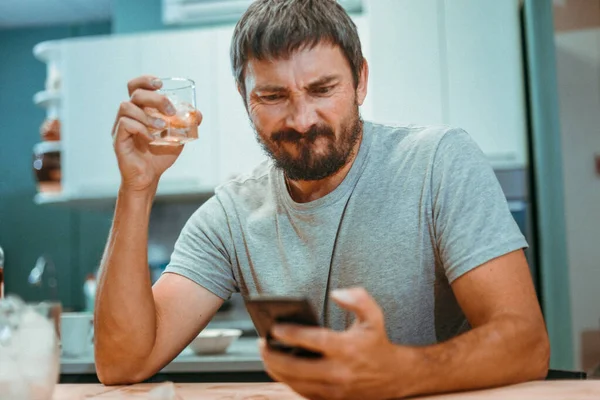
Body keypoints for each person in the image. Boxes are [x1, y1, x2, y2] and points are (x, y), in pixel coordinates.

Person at [94, 0, 550, 398]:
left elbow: (526, 342)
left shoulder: (439, 162)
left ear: (360, 80)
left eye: (322, 89)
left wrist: (398, 372)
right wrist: (137, 187)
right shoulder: (230, 216)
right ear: (244, 97)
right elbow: (123, 364)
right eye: (273, 96)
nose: (301, 118)